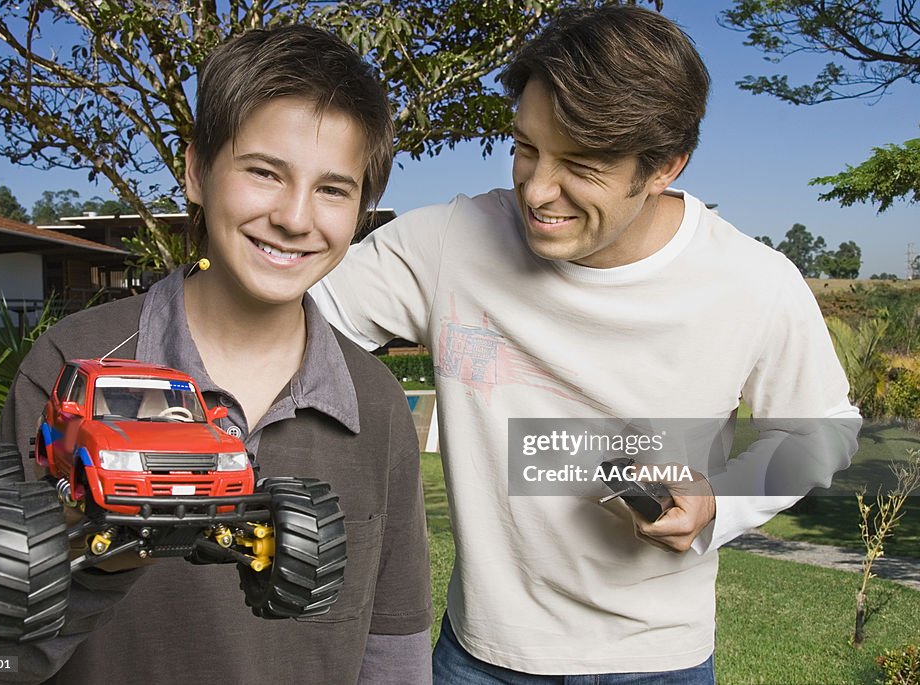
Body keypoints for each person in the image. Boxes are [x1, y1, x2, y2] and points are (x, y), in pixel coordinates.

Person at [312, 5, 860, 683]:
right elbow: (297, 318)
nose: (539, 190)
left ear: (665, 165)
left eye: (582, 165)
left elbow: (826, 431)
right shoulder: (449, 242)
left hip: (661, 661)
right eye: (526, 147)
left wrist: (723, 499)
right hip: (481, 657)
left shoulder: (753, 282)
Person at [0, 24, 432, 684]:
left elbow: (393, 644)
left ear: (362, 210)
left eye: (332, 189)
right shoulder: (71, 360)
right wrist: (90, 563)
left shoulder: (372, 399)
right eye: (264, 172)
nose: (295, 216)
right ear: (197, 170)